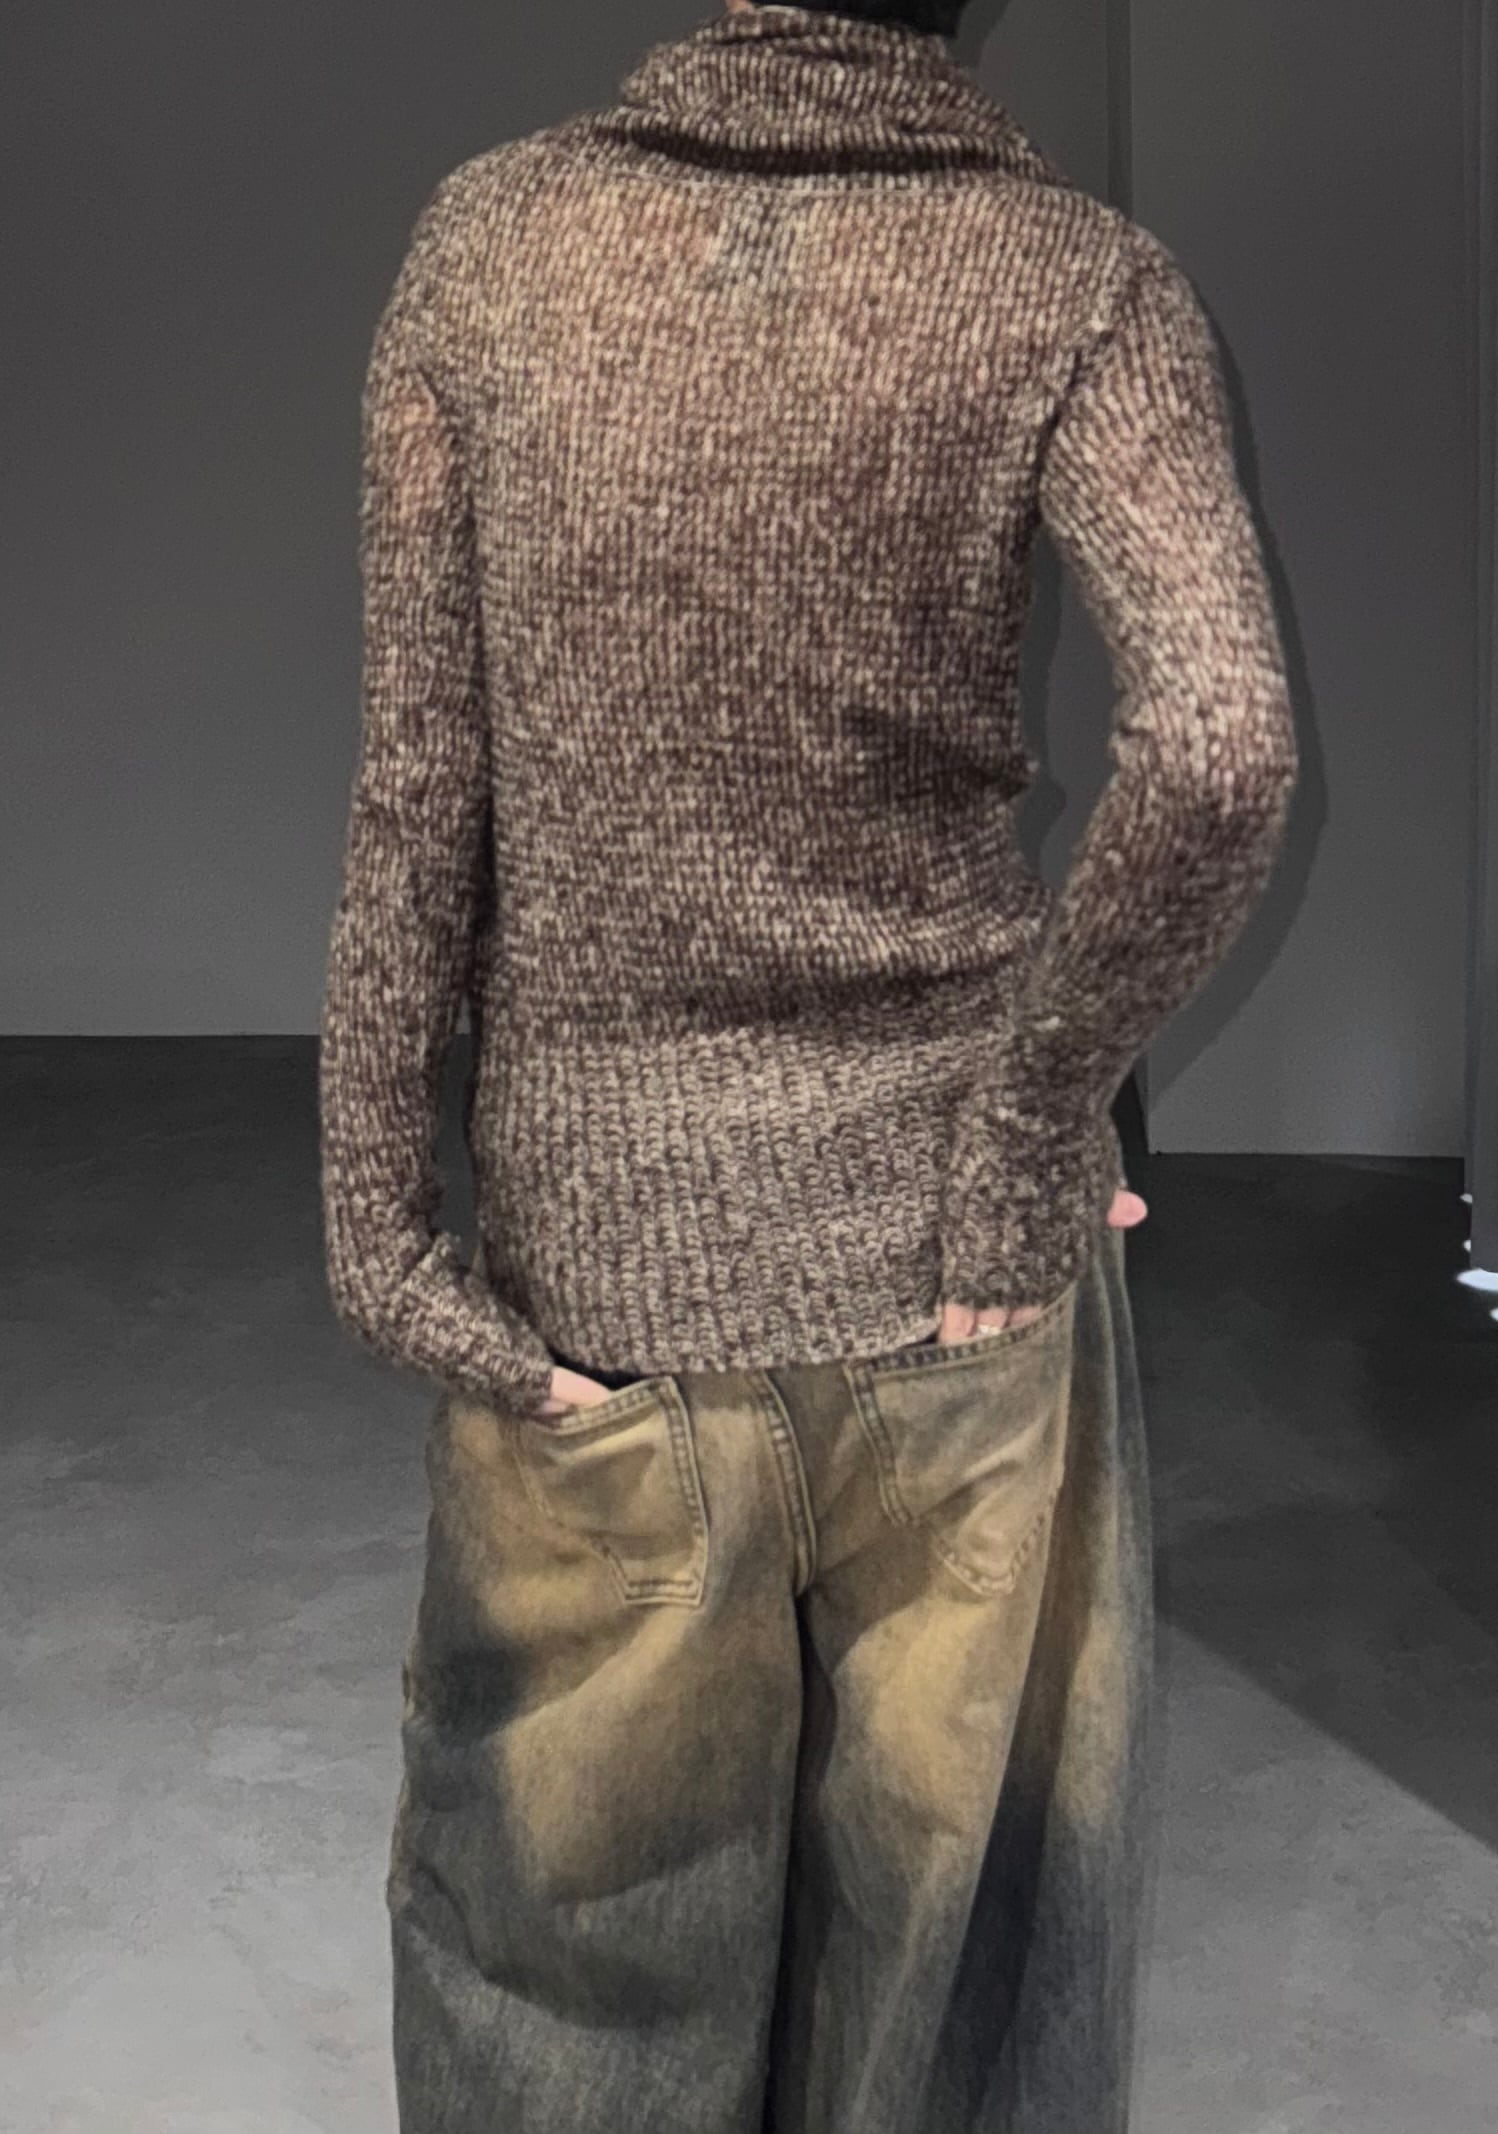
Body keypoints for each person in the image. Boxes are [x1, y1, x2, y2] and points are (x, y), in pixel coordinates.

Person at [316, 2, 1298, 2128]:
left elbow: (420, 793)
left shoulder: (490, 243)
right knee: (942, 1998)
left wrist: (384, 1236)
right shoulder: (1076, 278)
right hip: (958, 1300)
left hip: (597, 1302)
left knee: (565, 2008)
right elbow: (1223, 749)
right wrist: (1028, 1130)